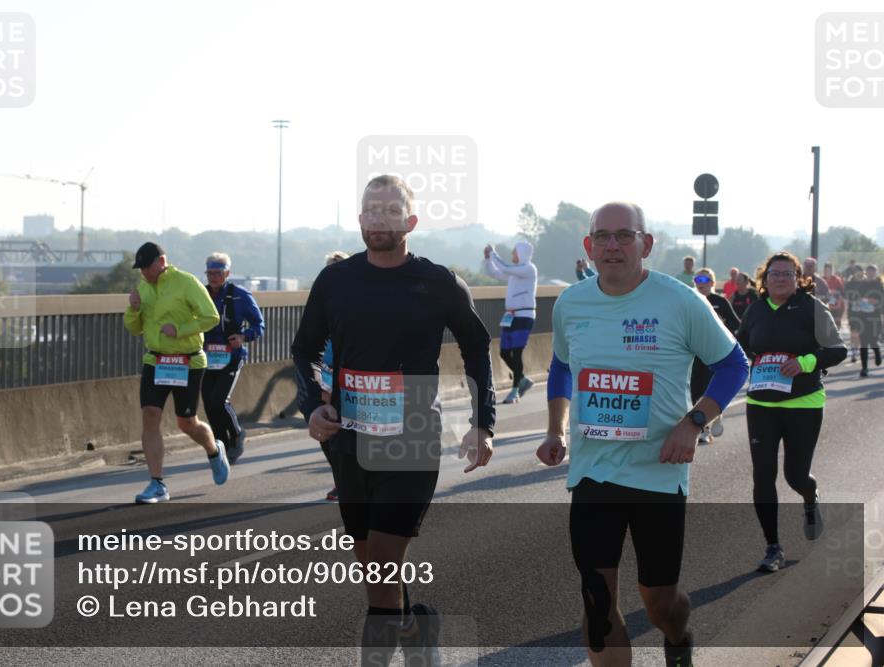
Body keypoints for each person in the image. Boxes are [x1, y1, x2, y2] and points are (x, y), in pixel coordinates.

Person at [292, 175, 495, 666]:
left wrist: (482, 422)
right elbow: (304, 349)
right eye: (371, 210)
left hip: (412, 441)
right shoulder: (335, 280)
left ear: (411, 221)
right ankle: (415, 625)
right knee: (375, 572)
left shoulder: (438, 281)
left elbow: (476, 347)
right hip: (349, 443)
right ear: (360, 221)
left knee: (381, 571)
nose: (379, 219)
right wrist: (313, 406)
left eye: (390, 210)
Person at [537, 202, 748, 667]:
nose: (612, 245)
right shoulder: (572, 303)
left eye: (624, 235)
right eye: (603, 236)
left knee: (660, 602)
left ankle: (677, 638)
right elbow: (561, 367)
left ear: (645, 244)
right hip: (593, 471)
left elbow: (734, 365)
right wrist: (556, 429)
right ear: (588, 245)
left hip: (659, 471)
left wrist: (694, 423)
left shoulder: (680, 301)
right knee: (596, 598)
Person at [736, 252, 846, 572]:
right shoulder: (756, 310)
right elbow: (741, 347)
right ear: (764, 278)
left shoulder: (811, 308)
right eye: (774, 273)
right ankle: (773, 547)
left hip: (803, 403)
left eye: (787, 274)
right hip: (760, 404)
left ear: (798, 278)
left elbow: (837, 350)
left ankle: (810, 498)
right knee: (763, 475)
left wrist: (805, 362)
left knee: (795, 475)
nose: (780, 278)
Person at [124, 242, 229, 504]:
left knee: (187, 423)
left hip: (188, 361)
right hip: (156, 360)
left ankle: (214, 450)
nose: (143, 273)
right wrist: (134, 309)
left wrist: (180, 329)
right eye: (140, 269)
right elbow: (134, 329)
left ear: (161, 261)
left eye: (146, 267)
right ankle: (157, 484)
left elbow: (210, 317)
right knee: (150, 415)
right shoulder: (143, 288)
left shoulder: (187, 282)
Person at [201, 252, 265, 464]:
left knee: (219, 400)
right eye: (209, 272)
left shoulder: (241, 295)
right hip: (206, 356)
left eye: (217, 273)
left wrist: (243, 337)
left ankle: (236, 434)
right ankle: (222, 444)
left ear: (227, 273)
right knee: (209, 403)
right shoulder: (200, 293)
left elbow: (259, 325)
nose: (213, 277)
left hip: (231, 355)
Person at [316, 249, 350, 501]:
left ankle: (349, 480)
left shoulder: (360, 297)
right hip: (326, 370)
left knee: (347, 428)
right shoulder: (321, 297)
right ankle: (341, 478)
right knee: (325, 429)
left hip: (352, 371)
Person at [484, 240, 538, 403]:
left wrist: (494, 253)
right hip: (511, 316)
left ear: (521, 253)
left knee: (517, 352)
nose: (512, 254)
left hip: (524, 316)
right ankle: (522, 380)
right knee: (504, 352)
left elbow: (505, 268)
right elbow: (495, 273)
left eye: (514, 252)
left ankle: (514, 391)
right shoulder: (515, 272)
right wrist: (488, 259)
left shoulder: (528, 269)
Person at [691, 268, 740, 444]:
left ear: (712, 283)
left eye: (705, 279)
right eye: (697, 279)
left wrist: (721, 327)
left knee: (707, 388)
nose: (701, 283)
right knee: (694, 390)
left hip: (715, 353)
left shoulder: (720, 301)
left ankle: (706, 428)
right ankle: (706, 420)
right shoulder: (691, 300)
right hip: (695, 353)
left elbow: (736, 323)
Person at [845, 264, 883, 377]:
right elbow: (855, 297)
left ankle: (877, 353)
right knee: (864, 343)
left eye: (873, 272)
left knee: (873, 341)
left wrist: (873, 301)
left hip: (874, 318)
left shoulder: (879, 284)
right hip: (862, 317)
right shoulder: (861, 284)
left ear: (875, 273)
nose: (870, 274)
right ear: (866, 272)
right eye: (869, 272)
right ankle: (864, 368)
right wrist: (860, 300)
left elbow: (881, 300)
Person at [823, 262, 846, 328]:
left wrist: (834, 292)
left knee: (836, 325)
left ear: (832, 271)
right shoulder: (821, 280)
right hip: (825, 305)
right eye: (825, 270)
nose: (827, 272)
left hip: (836, 306)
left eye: (829, 270)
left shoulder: (837, 280)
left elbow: (842, 292)